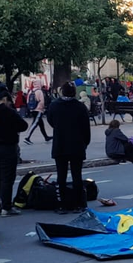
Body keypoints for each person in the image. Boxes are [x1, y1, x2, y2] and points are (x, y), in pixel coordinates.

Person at [47, 82, 91, 214]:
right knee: (77, 175)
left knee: (61, 176)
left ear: (62, 92)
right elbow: (85, 127)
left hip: (60, 144)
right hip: (76, 145)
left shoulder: (54, 105)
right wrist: (85, 143)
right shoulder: (80, 107)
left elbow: (51, 121)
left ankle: (62, 204)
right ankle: (79, 204)